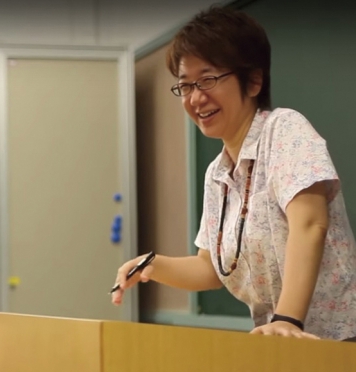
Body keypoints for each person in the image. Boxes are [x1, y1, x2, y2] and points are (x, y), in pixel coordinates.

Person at [112, 6, 356, 341]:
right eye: (186, 86)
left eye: (209, 79)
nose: (196, 97)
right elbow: (212, 268)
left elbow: (310, 223)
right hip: (283, 346)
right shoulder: (217, 173)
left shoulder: (284, 130)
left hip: (338, 342)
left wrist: (287, 319)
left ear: (253, 80)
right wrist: (152, 265)